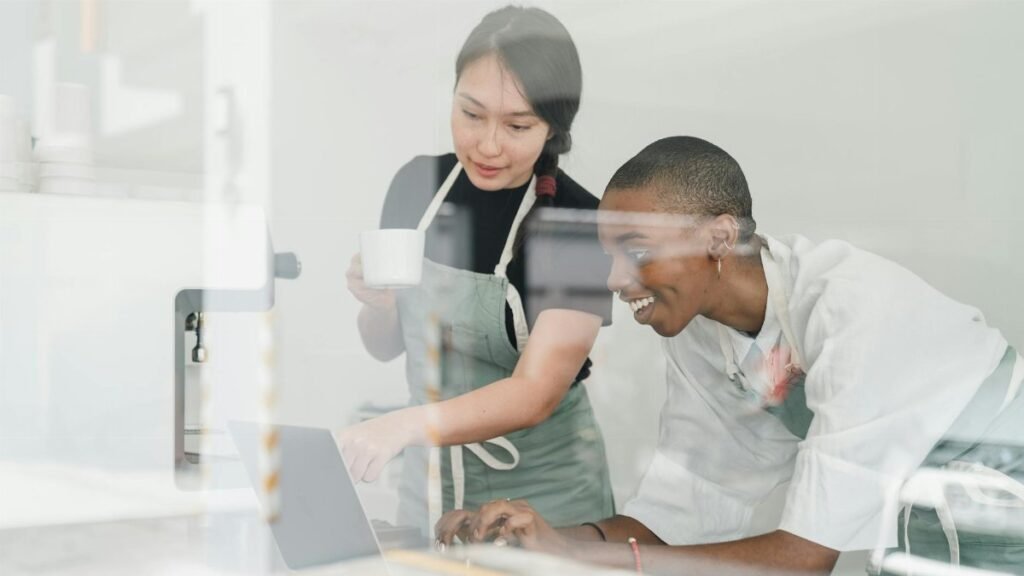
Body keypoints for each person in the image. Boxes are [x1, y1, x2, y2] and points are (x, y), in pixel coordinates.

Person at [436, 136, 1024, 574]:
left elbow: (801, 559)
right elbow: (676, 517)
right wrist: (533, 543)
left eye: (635, 250)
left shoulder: (851, 309)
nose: (613, 280)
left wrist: (574, 557)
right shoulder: (702, 332)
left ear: (718, 238)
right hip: (922, 540)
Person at [343, 6, 615, 538]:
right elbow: (383, 344)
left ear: (554, 131)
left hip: (547, 494)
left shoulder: (578, 223)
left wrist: (402, 427)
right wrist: (378, 306)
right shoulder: (416, 186)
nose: (488, 145)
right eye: (471, 114)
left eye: (518, 125)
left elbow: (535, 393)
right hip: (430, 486)